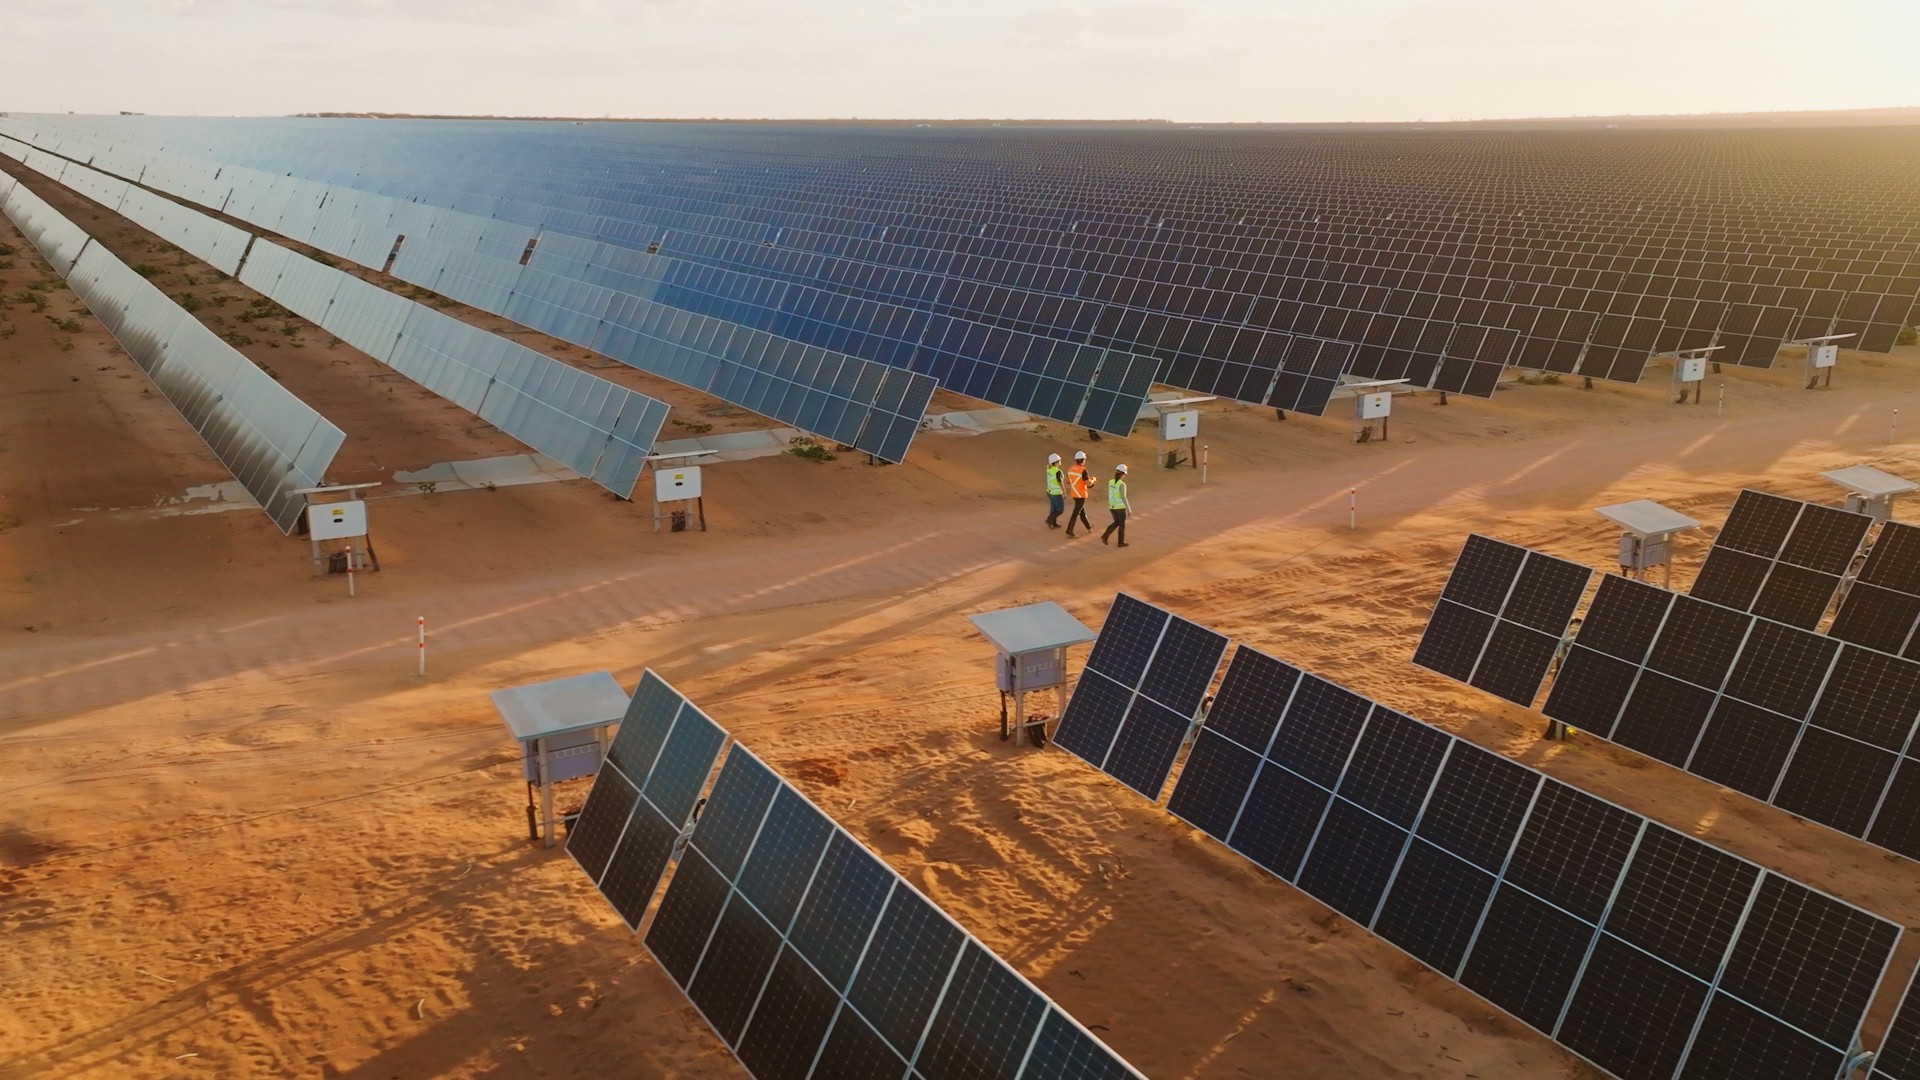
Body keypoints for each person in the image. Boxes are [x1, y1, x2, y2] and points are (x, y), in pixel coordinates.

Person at [1064, 451, 1095, 537]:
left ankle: (1088, 526)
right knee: (1076, 512)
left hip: (1074, 493)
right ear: (1083, 460)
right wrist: (1093, 480)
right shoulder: (1083, 471)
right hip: (1081, 495)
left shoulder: (1071, 469)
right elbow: (1088, 484)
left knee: (1081, 511)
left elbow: (1067, 481)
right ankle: (1069, 530)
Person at [1102, 463, 1131, 547]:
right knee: (1121, 525)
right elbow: (1123, 497)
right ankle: (1120, 542)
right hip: (1120, 507)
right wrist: (1129, 509)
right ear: (1122, 474)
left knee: (1116, 522)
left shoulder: (1110, 482)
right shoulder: (1122, 484)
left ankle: (1105, 536)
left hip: (1112, 507)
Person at [1044, 453, 1065, 529]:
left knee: (1053, 508)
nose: (1060, 461)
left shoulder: (1049, 469)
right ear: (1055, 462)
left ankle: (1054, 523)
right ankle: (1049, 519)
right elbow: (1060, 483)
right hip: (1056, 493)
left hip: (1049, 491)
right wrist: (1064, 493)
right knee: (1060, 509)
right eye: (1059, 460)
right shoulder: (1057, 471)